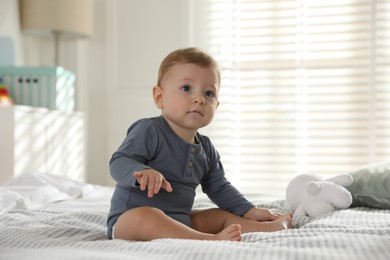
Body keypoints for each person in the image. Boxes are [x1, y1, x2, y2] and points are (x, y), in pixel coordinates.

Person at [107, 47, 292, 241]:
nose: (199, 99)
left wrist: (248, 210)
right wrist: (140, 172)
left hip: (180, 220)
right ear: (159, 97)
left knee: (219, 216)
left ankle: (268, 228)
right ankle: (210, 240)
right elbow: (119, 161)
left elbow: (219, 187)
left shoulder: (206, 148)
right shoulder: (150, 130)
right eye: (186, 88)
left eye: (209, 93)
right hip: (130, 221)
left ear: (217, 105)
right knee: (147, 216)